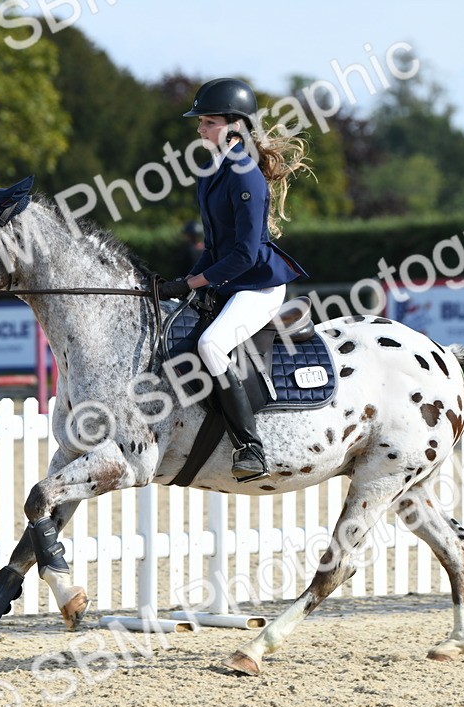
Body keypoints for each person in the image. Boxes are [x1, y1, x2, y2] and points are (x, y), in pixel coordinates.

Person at [158, 78, 311, 482]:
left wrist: (196, 284)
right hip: (230, 281)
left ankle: (249, 445)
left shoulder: (246, 177)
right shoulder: (212, 173)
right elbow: (214, 247)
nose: (200, 129)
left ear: (234, 126)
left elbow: (244, 254)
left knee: (210, 344)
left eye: (208, 122)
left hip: (258, 285)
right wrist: (186, 280)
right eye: (201, 122)